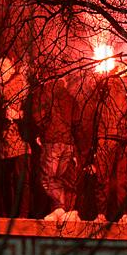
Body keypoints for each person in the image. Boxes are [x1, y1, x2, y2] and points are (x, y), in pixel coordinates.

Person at [88, 63, 127, 223]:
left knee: (104, 178)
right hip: (121, 137)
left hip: (106, 136)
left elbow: (93, 103)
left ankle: (102, 214)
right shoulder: (126, 84)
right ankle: (123, 214)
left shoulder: (104, 83)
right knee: (123, 180)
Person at [0, 57, 32, 218]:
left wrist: (18, 115)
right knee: (6, 183)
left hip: (20, 143)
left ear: (12, 68)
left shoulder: (22, 84)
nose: (1, 70)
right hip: (3, 145)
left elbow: (32, 111)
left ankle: (22, 215)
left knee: (21, 181)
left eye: (4, 66)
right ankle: (9, 214)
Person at [37, 76, 81, 222]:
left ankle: (59, 207)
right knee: (62, 177)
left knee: (48, 178)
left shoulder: (46, 95)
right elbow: (77, 124)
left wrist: (42, 133)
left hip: (52, 141)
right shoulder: (71, 98)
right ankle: (68, 210)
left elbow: (39, 117)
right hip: (68, 143)